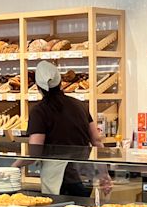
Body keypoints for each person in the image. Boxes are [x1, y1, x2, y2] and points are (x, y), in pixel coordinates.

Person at [26, 60, 111, 197]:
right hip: (84, 172)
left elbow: (35, 150)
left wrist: (15, 166)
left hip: (59, 178)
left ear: (37, 87)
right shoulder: (79, 105)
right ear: (61, 83)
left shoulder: (39, 111)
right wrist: (104, 173)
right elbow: (96, 141)